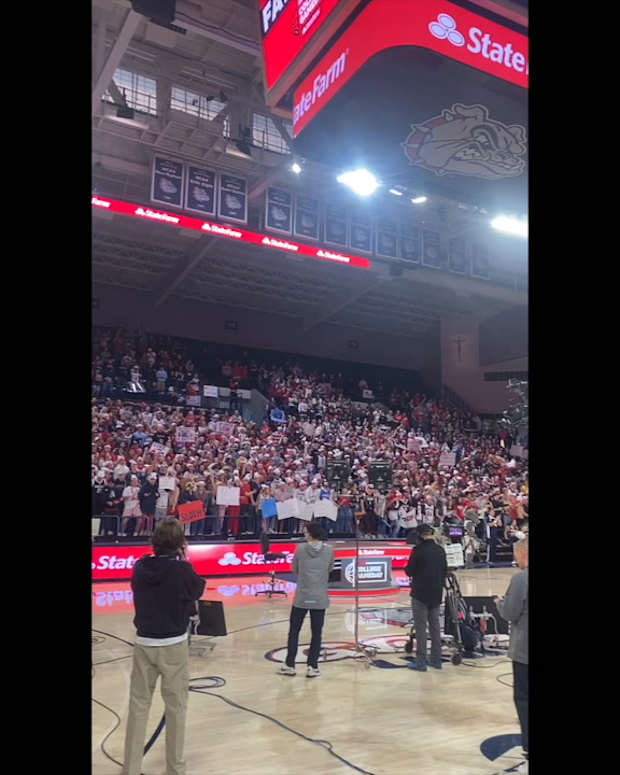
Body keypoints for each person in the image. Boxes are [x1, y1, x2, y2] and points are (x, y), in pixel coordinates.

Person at [122, 518, 205, 775]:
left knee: (138, 707)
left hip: (144, 643)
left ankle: (131, 768)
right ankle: (175, 769)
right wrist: (185, 558)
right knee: (176, 708)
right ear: (180, 543)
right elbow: (198, 590)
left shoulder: (140, 567)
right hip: (173, 646)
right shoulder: (183, 570)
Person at [279, 522, 334, 678]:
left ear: (310, 534)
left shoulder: (301, 548)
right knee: (317, 634)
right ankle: (313, 666)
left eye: (305, 532)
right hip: (320, 597)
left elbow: (294, 569)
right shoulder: (329, 550)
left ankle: (290, 665)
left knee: (294, 631)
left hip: (302, 596)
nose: (304, 534)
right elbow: (330, 569)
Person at [495, 537, 528, 773]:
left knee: (524, 699)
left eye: (517, 555)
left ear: (524, 553)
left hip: (525, 651)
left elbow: (510, 612)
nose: (515, 560)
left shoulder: (520, 579)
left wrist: (499, 603)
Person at [405, 523, 448, 671]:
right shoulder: (440, 550)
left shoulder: (418, 551)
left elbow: (409, 571)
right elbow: (444, 571)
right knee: (435, 628)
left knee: (421, 629)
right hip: (436, 593)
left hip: (420, 594)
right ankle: (436, 660)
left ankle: (421, 661)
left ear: (419, 536)